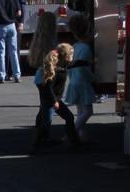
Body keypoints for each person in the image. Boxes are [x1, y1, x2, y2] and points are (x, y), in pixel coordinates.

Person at [32, 43, 80, 152]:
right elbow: (48, 87)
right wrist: (54, 101)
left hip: (52, 99)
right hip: (50, 100)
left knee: (65, 118)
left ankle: (74, 142)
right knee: (46, 122)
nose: (73, 56)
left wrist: (88, 62)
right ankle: (36, 146)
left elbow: (74, 63)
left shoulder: (61, 66)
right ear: (66, 56)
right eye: (72, 54)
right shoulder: (57, 70)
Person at [64, 13, 95, 141]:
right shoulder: (86, 49)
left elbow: (70, 67)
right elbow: (83, 69)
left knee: (80, 112)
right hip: (83, 84)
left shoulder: (74, 47)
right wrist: (93, 78)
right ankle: (71, 133)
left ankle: (79, 136)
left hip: (73, 83)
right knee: (88, 112)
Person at [0, 0, 23, 83]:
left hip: (0, 26)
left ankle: (1, 76)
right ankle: (17, 75)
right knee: (14, 52)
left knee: (1, 53)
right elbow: (19, 13)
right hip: (11, 26)